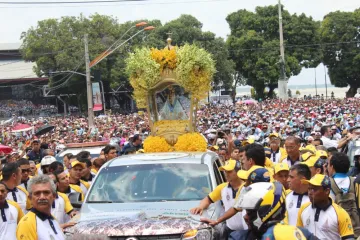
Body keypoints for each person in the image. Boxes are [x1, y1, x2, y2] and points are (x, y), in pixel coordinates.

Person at [230, 182, 317, 240]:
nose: (245, 217)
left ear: (264, 211)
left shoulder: (301, 234)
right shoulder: (237, 237)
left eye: (250, 212)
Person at [190, 160, 247, 237]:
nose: (226, 174)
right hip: (230, 230)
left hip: (247, 231)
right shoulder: (222, 188)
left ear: (239, 171)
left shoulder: (247, 187)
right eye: (225, 171)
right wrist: (201, 207)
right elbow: (208, 199)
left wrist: (217, 221)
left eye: (229, 171)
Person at [297, 174, 355, 240]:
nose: (310, 193)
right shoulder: (303, 209)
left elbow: (348, 238)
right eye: (309, 189)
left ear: (326, 191)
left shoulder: (340, 213)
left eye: (314, 189)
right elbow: (299, 234)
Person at [16, 175, 66, 240]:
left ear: (54, 196)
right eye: (37, 193)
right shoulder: (26, 224)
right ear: (30, 198)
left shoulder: (53, 220)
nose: (42, 197)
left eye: (46, 192)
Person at [328, 152, 360, 237]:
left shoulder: (327, 184)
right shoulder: (355, 181)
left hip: (336, 230)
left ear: (332, 167)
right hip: (355, 229)